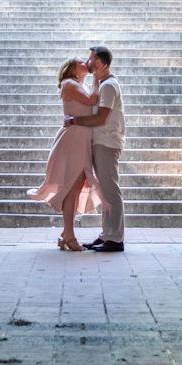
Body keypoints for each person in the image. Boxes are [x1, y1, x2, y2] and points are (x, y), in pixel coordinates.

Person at [26, 58, 101, 252]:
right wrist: (97, 79)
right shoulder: (69, 83)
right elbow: (92, 100)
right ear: (71, 68)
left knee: (74, 188)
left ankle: (65, 234)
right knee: (72, 188)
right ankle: (69, 235)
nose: (86, 63)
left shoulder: (78, 84)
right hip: (74, 139)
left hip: (80, 138)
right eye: (80, 62)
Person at [63, 42, 124, 251]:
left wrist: (74, 121)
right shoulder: (103, 83)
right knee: (106, 191)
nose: (88, 62)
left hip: (107, 142)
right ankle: (107, 234)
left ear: (99, 62)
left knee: (110, 191)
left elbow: (101, 117)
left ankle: (115, 239)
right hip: (100, 141)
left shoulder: (108, 85)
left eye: (91, 58)